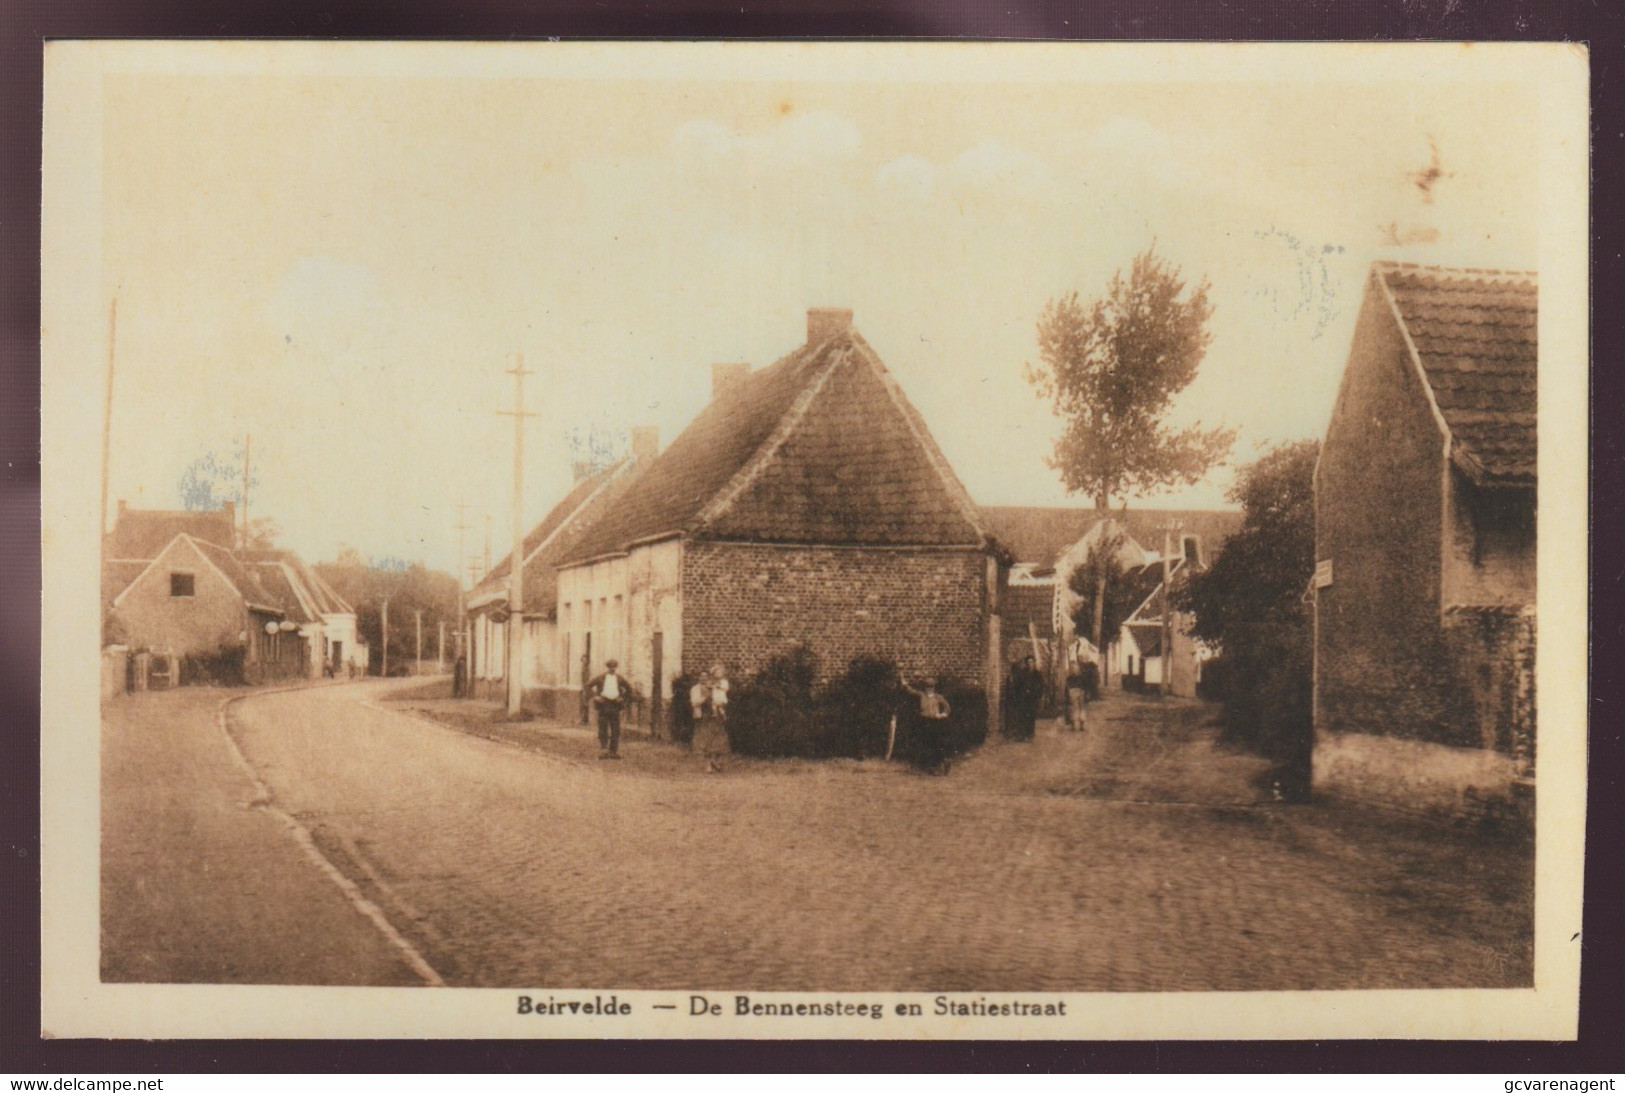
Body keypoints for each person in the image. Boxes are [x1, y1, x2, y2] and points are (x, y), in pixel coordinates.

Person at [899, 672, 953, 773]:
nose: (929, 689)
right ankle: (931, 766)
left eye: (931, 686)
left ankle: (942, 763)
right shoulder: (922, 695)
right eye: (927, 686)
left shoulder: (938, 697)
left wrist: (942, 715)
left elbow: (947, 708)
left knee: (936, 743)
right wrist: (903, 681)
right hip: (924, 722)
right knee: (926, 744)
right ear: (925, 687)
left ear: (934, 687)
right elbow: (910, 691)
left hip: (935, 722)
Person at [586, 658, 631, 760]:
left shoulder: (619, 679)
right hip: (604, 704)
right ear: (607, 667)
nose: (612, 669)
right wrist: (595, 697)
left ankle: (613, 752)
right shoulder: (601, 678)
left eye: (614, 667)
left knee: (616, 729)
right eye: (610, 667)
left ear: (616, 668)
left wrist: (622, 698)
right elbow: (588, 686)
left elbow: (629, 689)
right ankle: (604, 751)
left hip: (615, 705)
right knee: (603, 728)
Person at [1005, 655, 1043, 742]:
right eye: (1029, 662)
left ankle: (1030, 735)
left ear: (1034, 663)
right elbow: (1017, 685)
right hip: (1023, 699)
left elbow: (1040, 686)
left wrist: (1037, 695)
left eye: (1032, 662)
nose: (1030, 664)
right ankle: (1022, 735)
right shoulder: (1022, 673)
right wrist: (1019, 694)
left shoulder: (1037, 674)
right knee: (1022, 717)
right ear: (1026, 663)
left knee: (1031, 717)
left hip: (1033, 699)